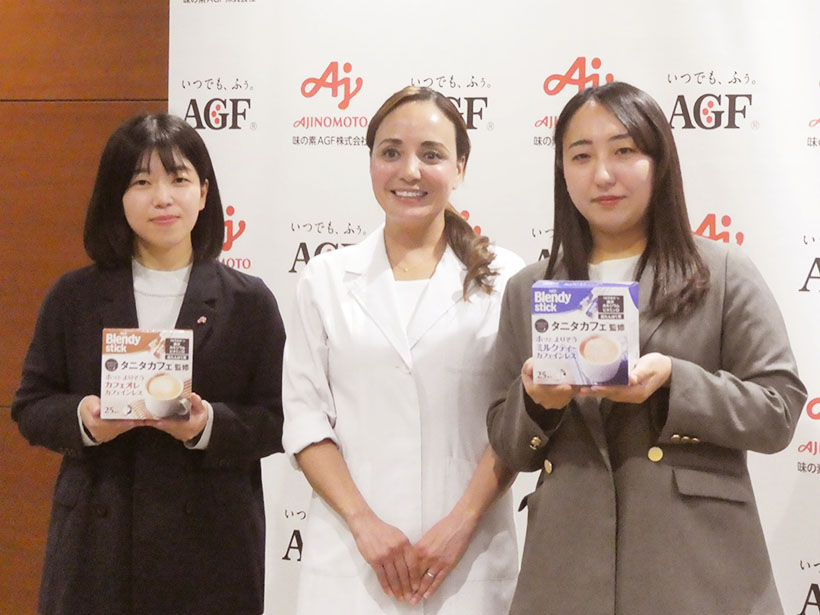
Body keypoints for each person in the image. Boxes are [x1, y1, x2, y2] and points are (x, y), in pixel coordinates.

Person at [486, 82, 806, 615]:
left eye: (624, 151)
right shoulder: (531, 289)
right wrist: (537, 403)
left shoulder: (722, 272)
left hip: (699, 569)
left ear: (659, 162)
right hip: (568, 572)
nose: (602, 174)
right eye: (581, 156)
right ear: (562, 170)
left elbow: (779, 410)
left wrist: (675, 383)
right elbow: (508, 444)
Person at [12, 114, 285, 615]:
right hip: (99, 542)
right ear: (116, 197)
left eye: (178, 179)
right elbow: (31, 405)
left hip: (210, 546)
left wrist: (207, 426)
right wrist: (85, 420)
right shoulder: (74, 296)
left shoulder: (249, 302)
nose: (162, 198)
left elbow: (278, 417)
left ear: (204, 193)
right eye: (141, 182)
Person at [282, 86, 523, 614]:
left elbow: (517, 422)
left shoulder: (506, 279)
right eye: (391, 152)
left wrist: (461, 523)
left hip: (469, 561)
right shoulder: (325, 278)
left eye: (431, 154)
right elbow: (304, 420)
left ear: (460, 167)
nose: (409, 171)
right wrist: (364, 524)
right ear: (371, 162)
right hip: (350, 563)